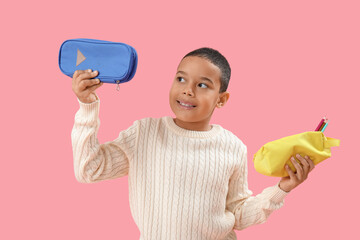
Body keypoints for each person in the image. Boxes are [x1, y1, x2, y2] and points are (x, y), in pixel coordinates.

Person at [71, 47, 315, 240]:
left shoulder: (233, 147)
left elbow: (238, 214)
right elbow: (88, 169)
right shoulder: (144, 133)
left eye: (202, 85)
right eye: (180, 79)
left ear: (221, 99)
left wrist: (281, 189)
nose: (187, 91)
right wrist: (88, 105)